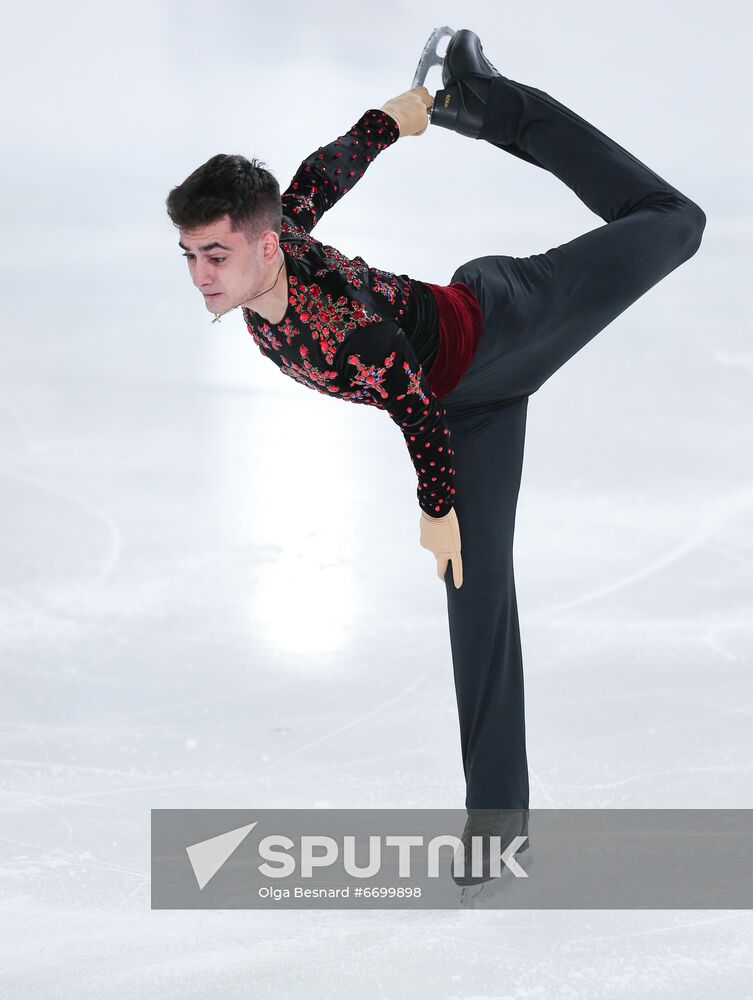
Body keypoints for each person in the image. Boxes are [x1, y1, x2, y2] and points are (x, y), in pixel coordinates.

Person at [165, 28, 706, 818]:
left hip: (504, 326)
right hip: (467, 406)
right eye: (189, 256)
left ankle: (499, 106)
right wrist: (395, 116)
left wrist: (435, 509)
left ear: (264, 246)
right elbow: (325, 172)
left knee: (675, 219)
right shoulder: (273, 257)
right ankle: (496, 826)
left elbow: (412, 409)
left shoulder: (344, 331)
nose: (200, 276)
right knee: (474, 593)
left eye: (214, 254)